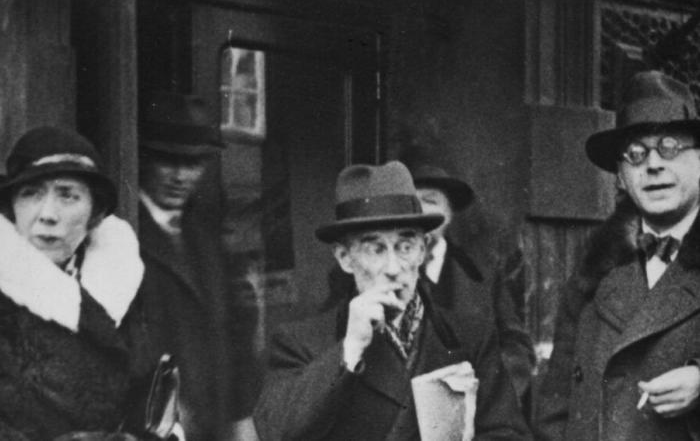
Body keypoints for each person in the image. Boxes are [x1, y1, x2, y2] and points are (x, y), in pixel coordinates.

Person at [254, 161, 532, 440]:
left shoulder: (471, 337)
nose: (394, 267)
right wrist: (350, 350)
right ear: (345, 258)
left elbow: (508, 435)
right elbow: (275, 432)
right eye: (375, 249)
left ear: (423, 251)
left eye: (406, 246)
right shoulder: (301, 343)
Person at [535, 70, 700, 440]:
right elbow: (556, 408)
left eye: (670, 146)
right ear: (621, 178)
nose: (653, 164)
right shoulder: (593, 272)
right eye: (636, 154)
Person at [0, 126, 151, 440]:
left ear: (94, 212)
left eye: (67, 195)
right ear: (11, 209)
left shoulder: (118, 285)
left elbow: (148, 397)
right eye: (31, 194)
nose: (48, 215)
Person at [136, 91, 258, 441]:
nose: (180, 176)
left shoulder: (206, 235)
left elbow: (236, 330)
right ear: (144, 159)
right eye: (168, 162)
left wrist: (240, 418)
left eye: (192, 164)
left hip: (214, 423)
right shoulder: (125, 232)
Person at [401, 152, 535, 404]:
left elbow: (516, 346)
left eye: (430, 202)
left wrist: (488, 398)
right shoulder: (380, 271)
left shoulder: (482, 275)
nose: (421, 213)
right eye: (411, 203)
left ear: (449, 213)